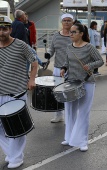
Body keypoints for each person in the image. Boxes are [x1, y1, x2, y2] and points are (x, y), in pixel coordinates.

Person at [0, 15, 38, 169]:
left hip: (16, 92)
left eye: (4, 29)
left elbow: (34, 62)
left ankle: (16, 157)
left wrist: (32, 79)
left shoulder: (21, 45)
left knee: (17, 127)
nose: (1, 32)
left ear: (10, 30)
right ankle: (11, 152)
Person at [60, 23, 104, 151]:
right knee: (70, 111)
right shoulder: (69, 47)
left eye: (74, 32)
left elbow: (100, 61)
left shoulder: (89, 47)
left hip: (87, 82)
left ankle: (82, 141)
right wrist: (63, 68)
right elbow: (66, 62)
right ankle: (69, 138)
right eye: (70, 32)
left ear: (81, 34)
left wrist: (90, 66)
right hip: (71, 82)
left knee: (83, 112)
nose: (71, 34)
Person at [45, 13, 73, 123]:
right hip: (57, 68)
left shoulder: (74, 35)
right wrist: (48, 54)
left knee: (69, 93)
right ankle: (58, 115)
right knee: (58, 93)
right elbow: (52, 49)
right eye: (64, 20)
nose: (66, 22)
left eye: (69, 20)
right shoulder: (56, 35)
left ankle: (69, 117)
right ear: (61, 22)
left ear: (72, 22)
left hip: (71, 69)